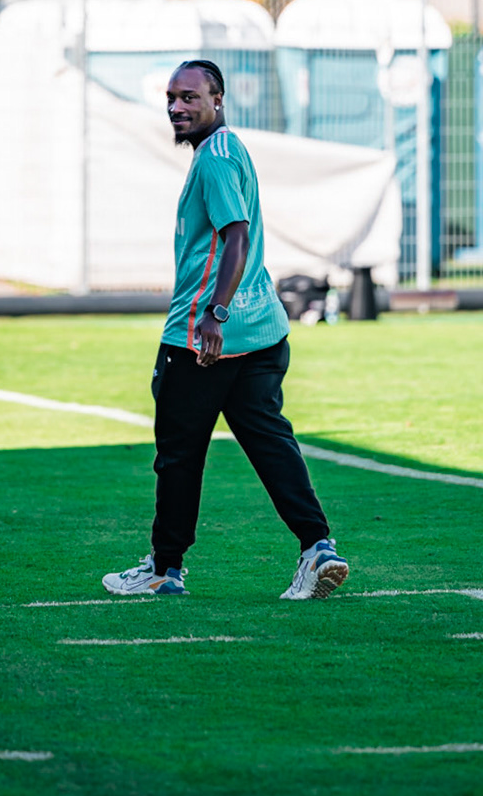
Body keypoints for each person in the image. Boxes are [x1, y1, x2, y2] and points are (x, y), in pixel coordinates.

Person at [101, 59, 350, 601]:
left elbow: (235, 237)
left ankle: (165, 568)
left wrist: (215, 313)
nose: (177, 107)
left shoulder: (213, 161)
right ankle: (318, 547)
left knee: (178, 456)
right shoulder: (230, 147)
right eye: (171, 97)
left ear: (218, 99)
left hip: (203, 337)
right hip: (262, 333)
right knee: (270, 443)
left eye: (190, 97)